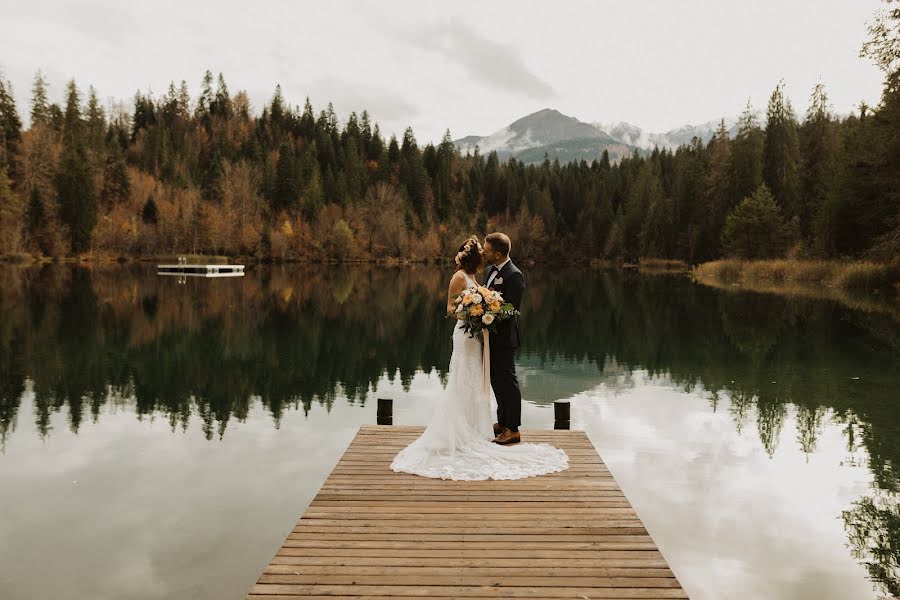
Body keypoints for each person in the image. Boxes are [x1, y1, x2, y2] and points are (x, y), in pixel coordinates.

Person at [389, 234, 568, 480]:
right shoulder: (477, 275)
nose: (484, 254)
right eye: (481, 252)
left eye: (487, 250)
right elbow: (456, 307)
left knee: (505, 379)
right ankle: (497, 423)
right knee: (488, 379)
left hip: (499, 338)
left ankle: (512, 428)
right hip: (475, 336)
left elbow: (511, 309)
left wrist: (486, 312)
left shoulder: (513, 275)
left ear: (497, 253)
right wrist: (476, 314)